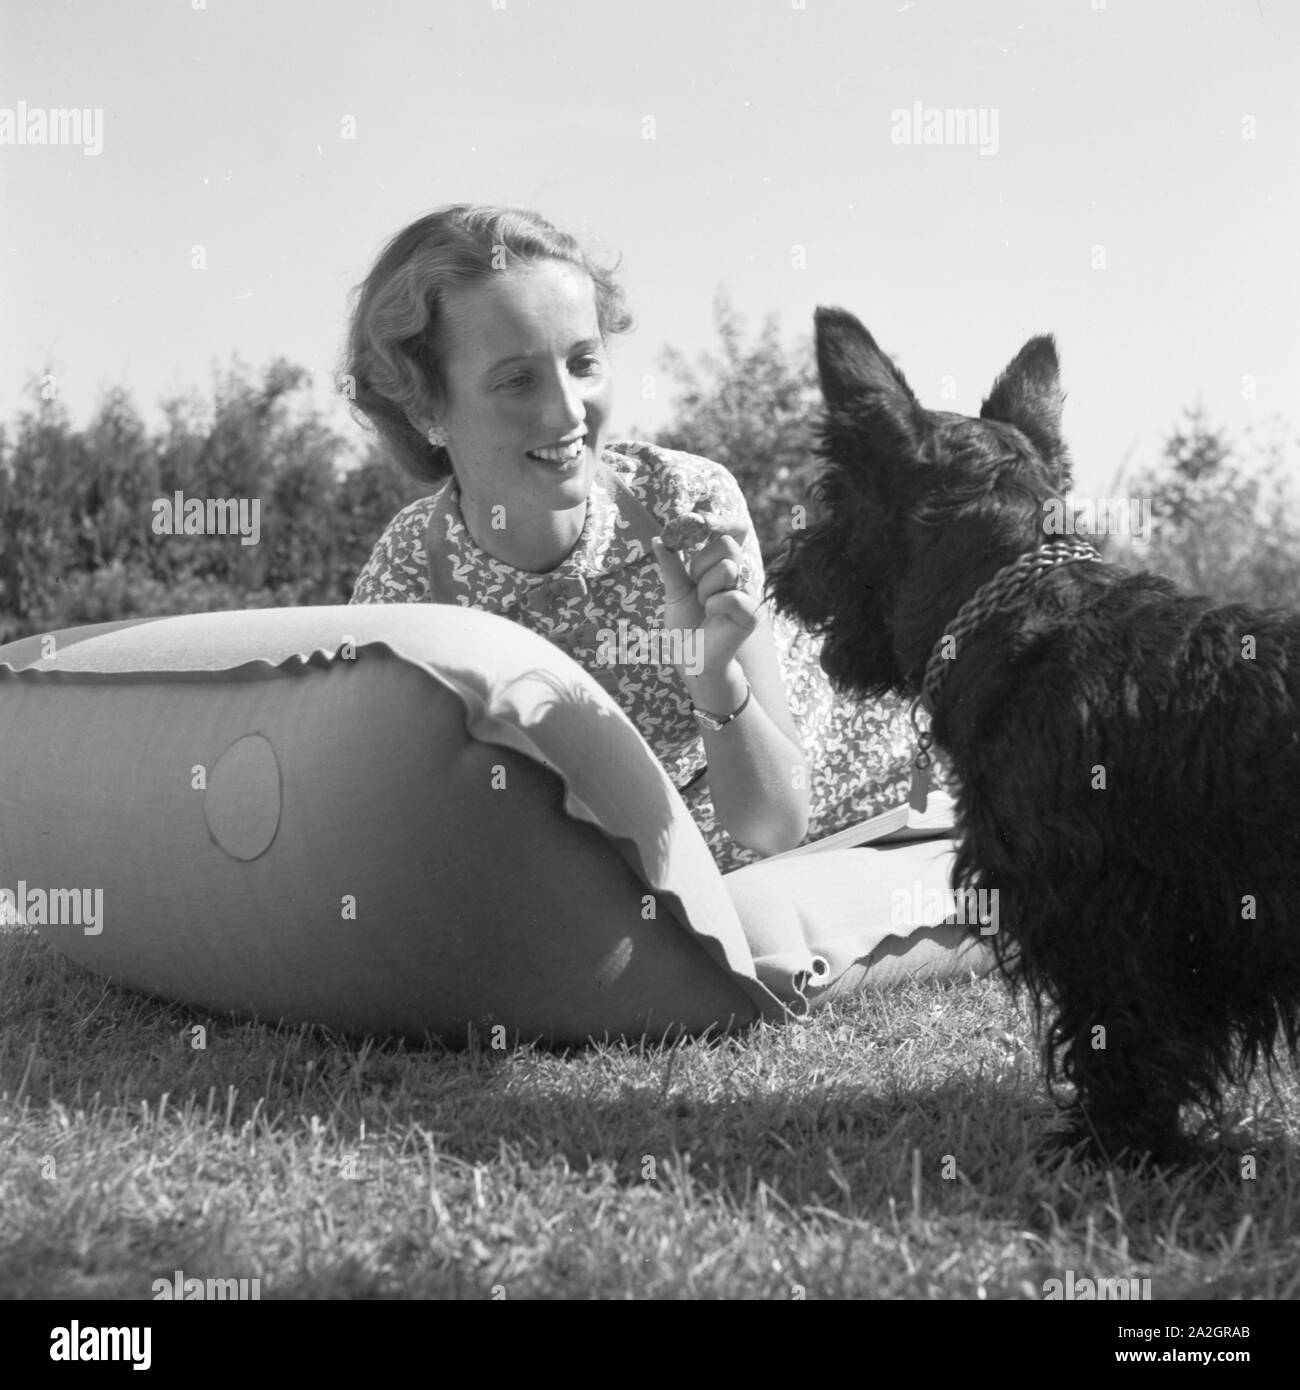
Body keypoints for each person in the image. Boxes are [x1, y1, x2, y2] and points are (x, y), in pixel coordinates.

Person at [344, 205, 931, 876]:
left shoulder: (686, 504)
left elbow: (773, 827)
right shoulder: (410, 578)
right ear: (425, 408)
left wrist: (711, 676)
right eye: (516, 380)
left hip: (879, 772)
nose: (567, 410)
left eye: (583, 363)